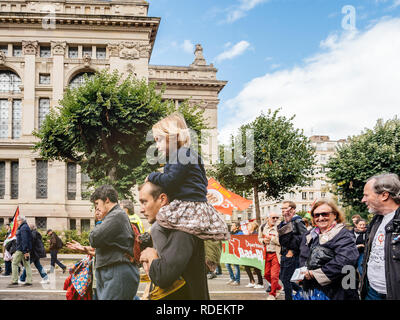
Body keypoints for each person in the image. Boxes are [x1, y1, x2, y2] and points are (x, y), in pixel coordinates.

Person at [146, 113, 229, 241]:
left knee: (158, 227)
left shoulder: (181, 154)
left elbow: (170, 181)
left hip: (187, 205)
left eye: (159, 140)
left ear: (173, 137)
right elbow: (202, 180)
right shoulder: (189, 155)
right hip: (198, 206)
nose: (157, 146)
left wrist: (152, 176)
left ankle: (163, 256)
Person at [139, 181, 210, 300]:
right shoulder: (168, 227)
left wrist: (150, 255)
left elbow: (163, 276)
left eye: (144, 202)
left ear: (162, 199)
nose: (141, 210)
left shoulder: (183, 228)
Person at [298, 200, 359, 300]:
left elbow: (346, 260)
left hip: (340, 289)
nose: (320, 218)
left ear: (334, 215)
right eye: (316, 215)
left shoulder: (343, 233)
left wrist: (315, 274)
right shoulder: (310, 235)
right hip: (314, 290)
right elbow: (303, 258)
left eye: (324, 214)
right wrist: (303, 273)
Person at [89, 184, 139, 300]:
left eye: (97, 204)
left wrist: (99, 221)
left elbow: (94, 238)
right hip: (112, 271)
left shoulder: (117, 215)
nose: (96, 208)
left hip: (117, 271)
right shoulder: (112, 216)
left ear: (106, 200)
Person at [360, 173, 400, 300]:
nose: (363, 200)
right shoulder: (376, 221)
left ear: (384, 195)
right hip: (372, 292)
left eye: (366, 195)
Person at [278, 200, 308, 300]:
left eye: (285, 208)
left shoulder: (297, 221)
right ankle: (302, 292)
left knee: (286, 279)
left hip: (292, 255)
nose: (282, 210)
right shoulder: (284, 222)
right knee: (283, 277)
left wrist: (293, 251)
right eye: (282, 208)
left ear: (292, 210)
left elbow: (305, 238)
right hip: (285, 254)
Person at [259, 213, 282, 300]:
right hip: (267, 253)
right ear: (268, 218)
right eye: (273, 217)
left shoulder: (280, 227)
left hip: (276, 254)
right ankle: (279, 287)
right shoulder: (262, 227)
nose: (275, 219)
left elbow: (282, 242)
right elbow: (259, 238)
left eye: (277, 217)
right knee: (266, 274)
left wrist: (272, 238)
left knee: (274, 275)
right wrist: (263, 240)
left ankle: (272, 294)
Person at [9, 215, 32, 286]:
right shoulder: (25, 227)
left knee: (14, 263)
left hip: (21, 249)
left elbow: (24, 240)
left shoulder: (23, 228)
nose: (17, 222)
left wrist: (25, 251)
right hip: (24, 249)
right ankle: (29, 281)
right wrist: (26, 251)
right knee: (27, 265)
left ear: (21, 220)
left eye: (18, 221)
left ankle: (14, 280)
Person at [244, 221, 264, 289]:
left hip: (256, 254)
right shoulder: (249, 234)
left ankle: (260, 283)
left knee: (257, 268)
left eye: (249, 226)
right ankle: (252, 281)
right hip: (250, 254)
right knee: (246, 266)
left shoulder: (256, 234)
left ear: (252, 227)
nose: (247, 227)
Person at [226, 222, 243, 286]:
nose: (231, 226)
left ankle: (237, 280)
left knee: (236, 266)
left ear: (237, 227)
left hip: (236, 251)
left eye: (233, 225)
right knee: (227, 264)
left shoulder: (240, 233)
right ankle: (232, 278)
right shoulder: (230, 233)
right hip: (230, 251)